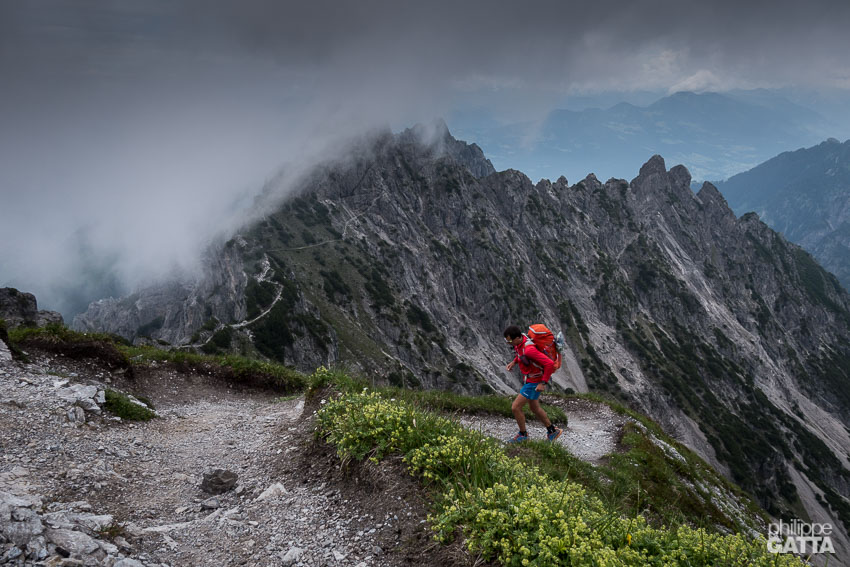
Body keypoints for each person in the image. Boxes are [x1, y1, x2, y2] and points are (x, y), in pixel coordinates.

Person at [503, 325, 563, 442]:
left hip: (534, 382)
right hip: (531, 379)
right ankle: (552, 431)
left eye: (510, 340)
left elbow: (549, 364)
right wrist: (514, 362)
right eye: (507, 340)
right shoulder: (521, 342)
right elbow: (520, 354)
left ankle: (523, 435)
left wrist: (543, 383)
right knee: (534, 408)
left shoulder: (529, 350)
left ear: (517, 338)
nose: (508, 343)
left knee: (515, 407)